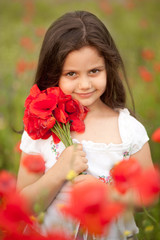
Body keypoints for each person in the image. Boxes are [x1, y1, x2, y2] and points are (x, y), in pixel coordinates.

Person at [17, 11, 153, 240]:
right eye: (71, 74)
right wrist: (58, 172)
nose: (85, 84)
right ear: (54, 74)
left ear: (108, 67)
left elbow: (148, 195)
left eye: (94, 71)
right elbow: (23, 205)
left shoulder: (128, 130)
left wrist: (109, 195)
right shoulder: (42, 129)